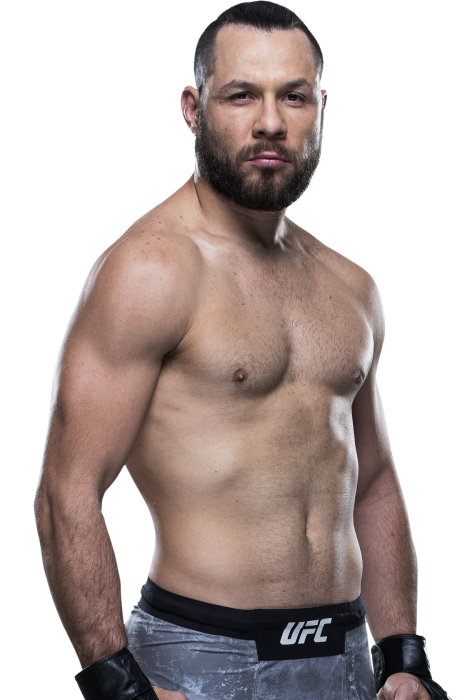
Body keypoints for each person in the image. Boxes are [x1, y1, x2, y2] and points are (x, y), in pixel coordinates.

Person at [33, 2, 450, 699]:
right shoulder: (152, 270)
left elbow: (374, 481)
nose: (270, 122)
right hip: (200, 659)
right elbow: (65, 490)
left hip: (350, 657)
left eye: (294, 96)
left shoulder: (350, 285)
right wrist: (115, 683)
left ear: (321, 108)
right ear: (193, 109)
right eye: (241, 95)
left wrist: (404, 653)